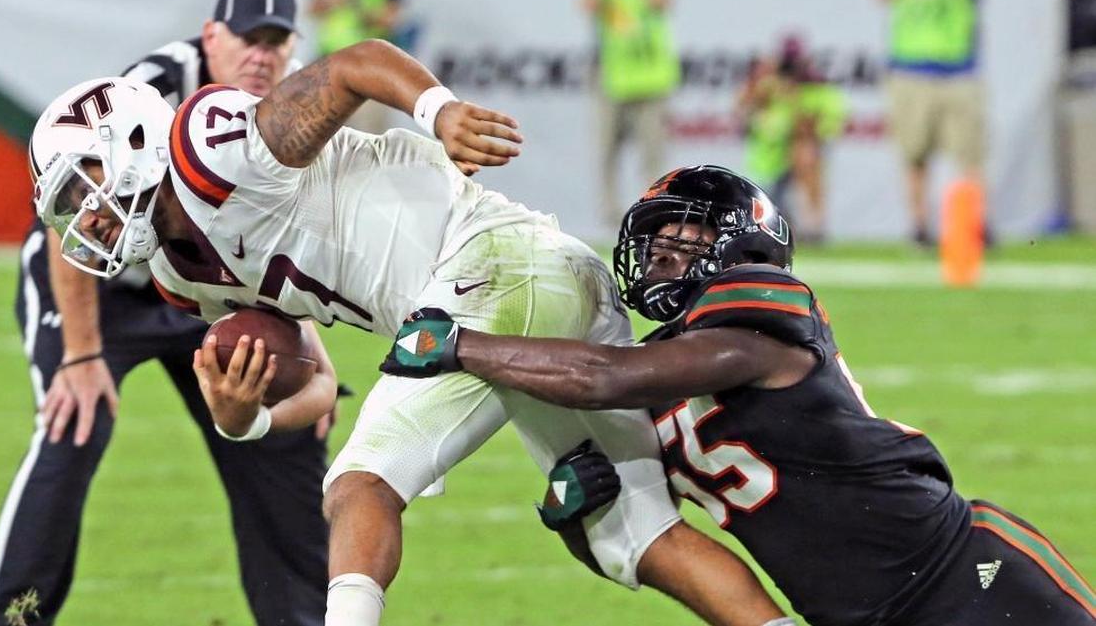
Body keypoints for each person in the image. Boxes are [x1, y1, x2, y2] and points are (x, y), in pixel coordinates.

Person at [27, 41, 798, 626]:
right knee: (635, 535)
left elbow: (352, 66)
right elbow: (316, 381)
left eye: (85, 185)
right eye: (69, 205)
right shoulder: (179, 272)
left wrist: (439, 112)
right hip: (531, 284)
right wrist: (244, 418)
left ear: (134, 144)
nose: (86, 217)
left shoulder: (208, 150)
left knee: (359, 485)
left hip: (493, 267)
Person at [380, 165, 1096, 626]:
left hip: (963, 575)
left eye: (687, 235)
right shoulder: (658, 371)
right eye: (656, 240)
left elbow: (603, 376)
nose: (663, 251)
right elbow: (638, 542)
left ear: (746, 247)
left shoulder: (759, 307)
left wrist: (460, 344)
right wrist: (574, 516)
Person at [0, 0, 333, 626]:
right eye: (248, 38)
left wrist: (303, 349)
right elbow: (73, 212)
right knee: (76, 421)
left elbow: (274, 239)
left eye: (276, 41)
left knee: (283, 429)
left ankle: (304, 618)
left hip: (201, 288)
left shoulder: (288, 110)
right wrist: (81, 355)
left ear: (294, 46)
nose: (261, 55)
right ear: (211, 36)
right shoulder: (151, 91)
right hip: (97, 277)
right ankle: (6, 620)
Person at [878, 0, 986, 246]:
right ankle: (920, 226)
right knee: (915, 154)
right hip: (912, 68)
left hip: (958, 69)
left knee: (968, 155)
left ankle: (973, 225)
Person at [582, 0, 681, 227]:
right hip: (614, 80)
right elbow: (588, 3)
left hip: (653, 81)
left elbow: (662, 1)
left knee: (652, 155)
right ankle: (611, 218)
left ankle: (652, 212)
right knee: (607, 152)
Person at [737, 36, 846, 244]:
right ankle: (785, 225)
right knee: (768, 195)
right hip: (770, 156)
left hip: (795, 148)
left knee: (806, 157)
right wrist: (764, 81)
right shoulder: (769, 85)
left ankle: (813, 225)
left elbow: (818, 126)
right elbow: (744, 106)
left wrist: (793, 97)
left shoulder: (814, 89)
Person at [309, 0, 404, 133]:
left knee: (367, 133)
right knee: (314, 129)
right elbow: (312, 9)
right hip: (327, 65)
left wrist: (354, 4)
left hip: (368, 72)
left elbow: (389, 20)